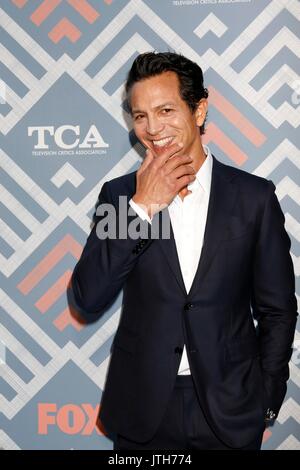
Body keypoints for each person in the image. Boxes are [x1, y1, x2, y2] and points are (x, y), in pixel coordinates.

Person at [71, 52, 297, 450]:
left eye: (165, 110)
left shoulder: (254, 198)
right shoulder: (120, 196)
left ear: (199, 110)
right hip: (143, 410)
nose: (152, 128)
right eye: (140, 116)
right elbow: (88, 296)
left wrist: (266, 402)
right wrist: (142, 208)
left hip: (230, 408)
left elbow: (278, 309)